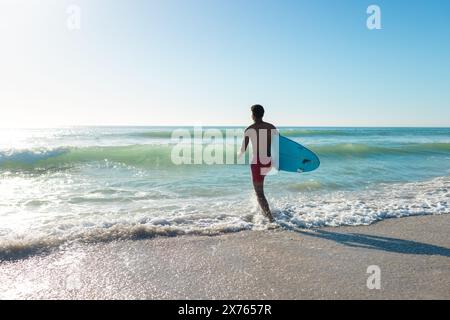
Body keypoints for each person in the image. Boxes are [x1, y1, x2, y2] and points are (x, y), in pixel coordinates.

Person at [240, 104, 278, 222]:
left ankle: (270, 219)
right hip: (268, 162)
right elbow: (279, 145)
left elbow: (243, 150)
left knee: (259, 193)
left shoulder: (249, 129)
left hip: (256, 162)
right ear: (262, 114)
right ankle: (263, 213)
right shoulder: (271, 127)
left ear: (253, 115)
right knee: (260, 191)